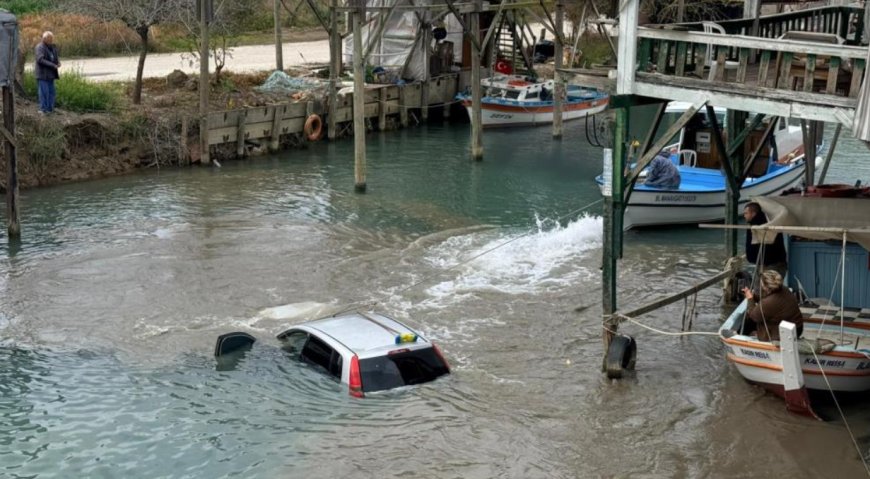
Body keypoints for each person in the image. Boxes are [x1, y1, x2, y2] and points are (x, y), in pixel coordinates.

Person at [742, 270, 803, 341]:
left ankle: (739, 339)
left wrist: (750, 298)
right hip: (797, 327)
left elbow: (753, 316)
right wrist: (754, 297)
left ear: (765, 286)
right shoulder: (784, 289)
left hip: (787, 333)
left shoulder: (769, 302)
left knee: (749, 320)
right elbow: (769, 300)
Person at [743, 202, 787, 274]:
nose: (744, 215)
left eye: (746, 213)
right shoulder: (770, 222)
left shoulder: (756, 227)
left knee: (768, 284)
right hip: (770, 263)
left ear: (753, 214)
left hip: (771, 264)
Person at [35, 31, 60, 115]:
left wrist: (57, 62)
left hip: (51, 74)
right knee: (44, 92)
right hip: (42, 74)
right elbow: (40, 59)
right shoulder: (40, 47)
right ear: (44, 38)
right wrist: (52, 65)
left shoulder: (52, 47)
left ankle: (50, 109)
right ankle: (43, 110)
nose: (51, 40)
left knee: (51, 92)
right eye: (50, 39)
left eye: (52, 39)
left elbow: (55, 57)